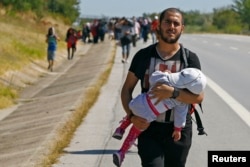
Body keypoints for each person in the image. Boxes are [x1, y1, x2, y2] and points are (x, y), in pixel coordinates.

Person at [119, 8, 204, 167]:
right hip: (149, 129)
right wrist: (132, 118)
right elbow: (127, 89)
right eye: (167, 22)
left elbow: (199, 97)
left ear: (182, 28)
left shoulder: (189, 59)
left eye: (176, 23)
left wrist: (173, 93)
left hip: (178, 130)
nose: (171, 26)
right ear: (159, 25)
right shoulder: (144, 55)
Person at [112, 68, 206, 167]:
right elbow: (180, 115)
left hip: (140, 101)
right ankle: (121, 152)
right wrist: (178, 129)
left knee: (133, 113)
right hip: (149, 115)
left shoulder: (165, 79)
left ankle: (120, 129)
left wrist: (165, 73)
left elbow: (153, 77)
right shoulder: (181, 101)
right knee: (134, 132)